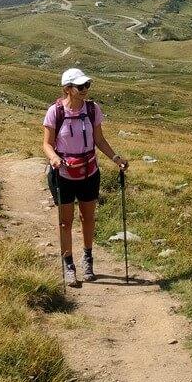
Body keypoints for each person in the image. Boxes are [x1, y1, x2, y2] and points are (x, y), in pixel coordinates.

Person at [43, 67, 129, 287]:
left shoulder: (92, 110)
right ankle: (68, 264)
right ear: (67, 89)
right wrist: (53, 157)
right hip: (62, 174)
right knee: (65, 222)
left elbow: (99, 140)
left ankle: (87, 258)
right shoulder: (55, 112)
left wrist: (116, 158)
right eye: (80, 86)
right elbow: (47, 143)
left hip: (89, 172)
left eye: (87, 85)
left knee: (88, 217)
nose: (85, 90)